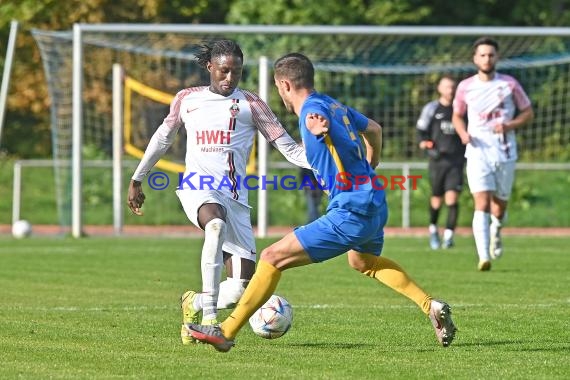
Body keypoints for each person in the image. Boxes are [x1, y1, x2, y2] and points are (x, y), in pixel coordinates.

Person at [185, 52, 457, 352]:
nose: (280, 94)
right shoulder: (332, 103)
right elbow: (375, 130)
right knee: (363, 261)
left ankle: (226, 331)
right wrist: (370, 163)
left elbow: (325, 130)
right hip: (374, 200)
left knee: (272, 258)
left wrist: (323, 134)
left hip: (351, 208)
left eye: (278, 88)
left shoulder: (313, 114)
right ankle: (429, 305)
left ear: (285, 85)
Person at [127, 40, 310, 344]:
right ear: (210, 67)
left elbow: (289, 149)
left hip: (236, 200)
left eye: (235, 73)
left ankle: (194, 302)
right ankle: (210, 318)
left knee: (240, 287)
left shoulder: (252, 104)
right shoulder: (187, 99)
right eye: (224, 71)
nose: (229, 78)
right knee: (214, 224)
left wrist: (329, 165)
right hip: (198, 188)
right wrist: (138, 178)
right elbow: (162, 139)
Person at [452, 37, 534, 271]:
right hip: (477, 152)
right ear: (475, 58)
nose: (487, 59)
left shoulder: (509, 84)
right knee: (482, 203)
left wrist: (509, 125)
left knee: (499, 207)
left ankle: (497, 229)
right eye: (483, 55)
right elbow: (457, 115)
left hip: (504, 152)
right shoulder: (465, 86)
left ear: (497, 58)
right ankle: (483, 256)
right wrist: (462, 133)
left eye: (491, 55)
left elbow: (528, 112)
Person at [416, 76, 466, 250]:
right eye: (447, 87)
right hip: (437, 161)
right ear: (439, 89)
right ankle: (433, 230)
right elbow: (422, 131)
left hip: (457, 161)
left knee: (452, 198)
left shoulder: (462, 109)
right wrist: (425, 142)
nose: (450, 90)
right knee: (437, 199)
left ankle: (449, 236)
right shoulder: (432, 108)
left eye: (453, 87)